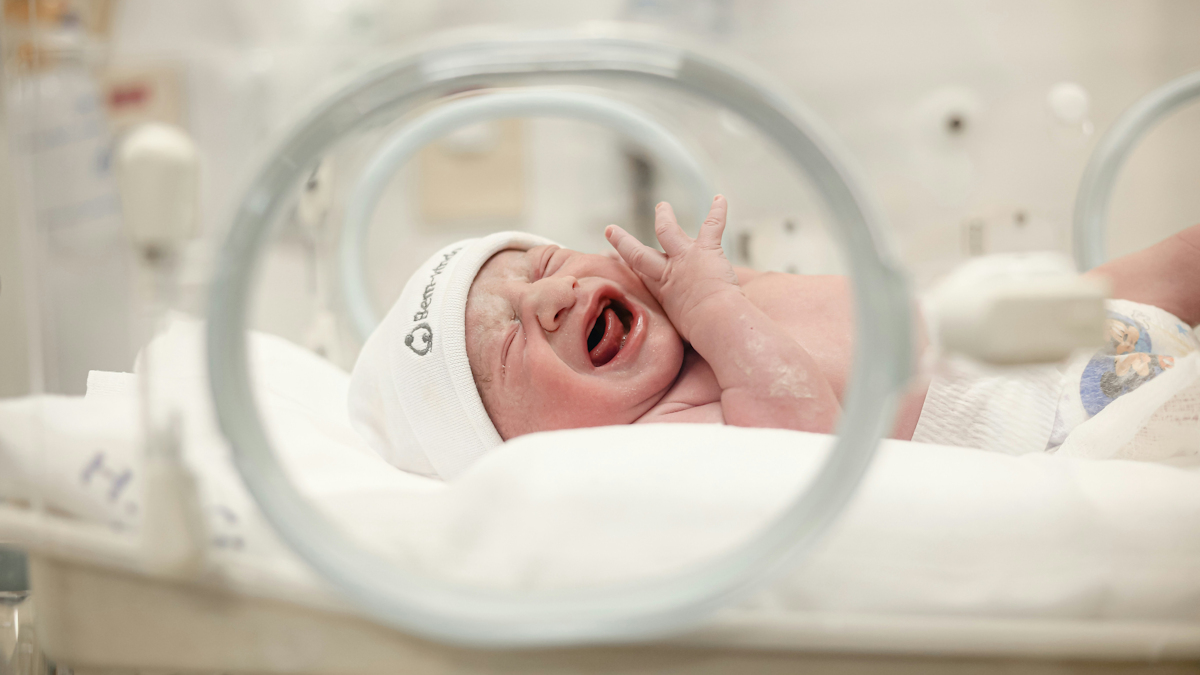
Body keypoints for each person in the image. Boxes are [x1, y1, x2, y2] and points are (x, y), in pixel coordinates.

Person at [349, 196, 1200, 479]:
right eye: (506, 344)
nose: (548, 297)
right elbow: (805, 448)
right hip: (1070, 427)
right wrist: (719, 312)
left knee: (1164, 267)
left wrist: (712, 295)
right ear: (526, 450)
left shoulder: (688, 298)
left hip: (1048, 329)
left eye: (541, 263)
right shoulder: (659, 435)